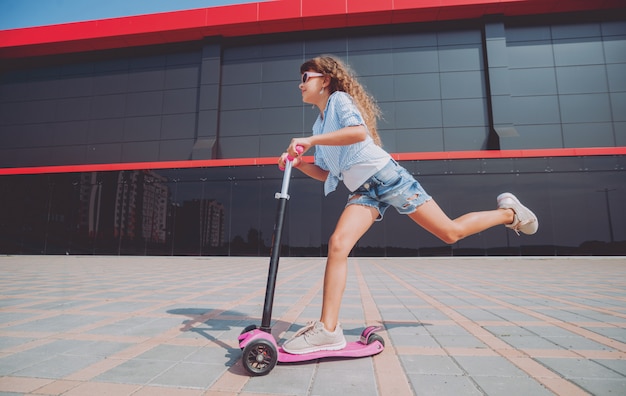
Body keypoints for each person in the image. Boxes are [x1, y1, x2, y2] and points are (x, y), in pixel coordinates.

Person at [277, 55, 538, 355]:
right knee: (338, 244)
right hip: (362, 191)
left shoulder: (339, 101)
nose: (300, 85)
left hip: (389, 179)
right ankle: (329, 330)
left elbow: (358, 132)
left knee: (449, 233)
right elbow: (325, 172)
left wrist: (310, 141)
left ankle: (509, 213)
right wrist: (298, 163)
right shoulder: (319, 124)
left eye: (305, 77)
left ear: (324, 80)